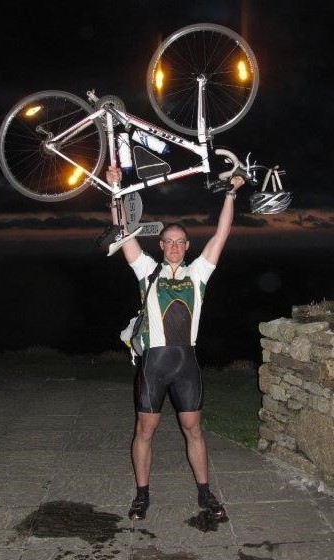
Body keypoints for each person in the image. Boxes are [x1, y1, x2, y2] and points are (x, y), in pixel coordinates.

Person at [106, 165, 245, 520]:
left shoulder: (197, 273)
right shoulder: (146, 270)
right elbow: (123, 232)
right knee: (145, 431)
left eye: (180, 242)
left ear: (187, 246)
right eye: (168, 241)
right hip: (154, 364)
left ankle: (204, 493)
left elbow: (222, 234)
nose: (174, 247)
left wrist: (231, 193)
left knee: (193, 430)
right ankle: (141, 495)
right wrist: (115, 189)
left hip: (186, 365)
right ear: (161, 244)